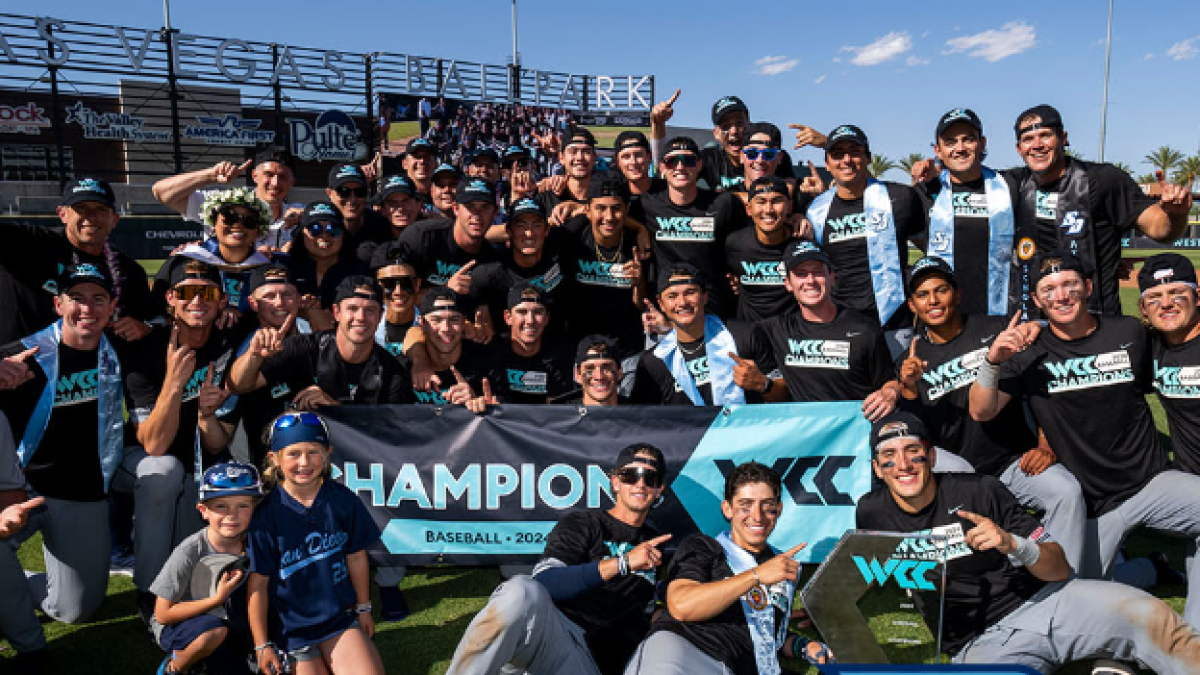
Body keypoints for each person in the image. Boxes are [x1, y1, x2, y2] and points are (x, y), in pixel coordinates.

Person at [857, 410, 1200, 673]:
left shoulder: (979, 490)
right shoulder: (871, 514)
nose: (902, 464)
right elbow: (871, 577)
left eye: (912, 450)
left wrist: (1013, 544)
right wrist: (833, 606)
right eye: (889, 455)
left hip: (1045, 602)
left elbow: (1059, 567)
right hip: (980, 642)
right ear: (876, 467)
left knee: (1155, 618)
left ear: (931, 457)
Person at [969, 249, 1200, 626]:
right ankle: (1149, 569)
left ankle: (1195, 645)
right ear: (1037, 300)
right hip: (1093, 506)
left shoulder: (1129, 332)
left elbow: (1178, 339)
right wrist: (993, 360)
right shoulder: (1027, 353)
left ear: (1088, 287)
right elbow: (981, 410)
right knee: (1072, 598)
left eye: (1070, 285)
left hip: (1151, 481)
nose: (1061, 296)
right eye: (1050, 289)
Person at [896, 256, 1086, 568]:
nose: (933, 300)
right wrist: (907, 386)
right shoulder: (910, 360)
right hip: (960, 475)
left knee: (1066, 492)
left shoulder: (997, 328)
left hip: (1014, 462)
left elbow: (1042, 387)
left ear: (957, 294)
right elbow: (917, 432)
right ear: (912, 305)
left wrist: (1045, 443)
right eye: (922, 294)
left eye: (941, 290)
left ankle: (1065, 584)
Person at [448, 444, 673, 675]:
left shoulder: (660, 544)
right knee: (520, 591)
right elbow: (547, 582)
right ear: (615, 483)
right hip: (558, 637)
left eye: (651, 478)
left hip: (596, 665)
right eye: (630, 475)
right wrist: (623, 563)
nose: (640, 484)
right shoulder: (584, 523)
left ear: (659, 489)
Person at [0, 263, 126, 646]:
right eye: (76, 299)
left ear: (111, 307)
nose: (86, 309)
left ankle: (19, 583)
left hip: (81, 492)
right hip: (18, 490)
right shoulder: (24, 354)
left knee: (75, 610)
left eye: (97, 299)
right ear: (58, 304)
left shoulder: (122, 347)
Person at [121, 259, 247, 620]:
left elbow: (215, 445)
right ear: (170, 300)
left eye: (207, 293)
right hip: (143, 463)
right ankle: (148, 591)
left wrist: (206, 415)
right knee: (164, 470)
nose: (197, 301)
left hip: (200, 465)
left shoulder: (227, 340)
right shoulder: (144, 351)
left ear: (222, 301)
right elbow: (153, 445)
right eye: (186, 292)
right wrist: (174, 384)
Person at [624, 461, 833, 674]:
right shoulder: (703, 547)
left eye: (767, 506)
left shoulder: (782, 567)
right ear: (727, 509)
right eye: (745, 505)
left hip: (738, 667)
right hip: (686, 651)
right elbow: (681, 606)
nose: (757, 516)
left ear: (778, 510)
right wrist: (756, 576)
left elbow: (762, 635)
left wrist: (803, 646)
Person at [1007, 105, 1193, 318]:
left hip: (1096, 321)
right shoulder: (1011, 186)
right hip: (1033, 323)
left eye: (1045, 135)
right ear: (1019, 148)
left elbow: (1161, 230)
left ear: (1063, 138)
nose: (1037, 145)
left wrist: (1176, 214)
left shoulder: (1104, 179)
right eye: (1028, 139)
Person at [247, 412, 385, 675]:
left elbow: (356, 556)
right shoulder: (265, 516)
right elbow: (258, 584)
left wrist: (364, 608)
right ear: (274, 458)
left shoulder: (342, 499)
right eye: (293, 454)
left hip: (338, 620)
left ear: (327, 453)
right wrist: (261, 644)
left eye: (313, 452)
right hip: (290, 630)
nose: (304, 462)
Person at [805, 124, 927, 355]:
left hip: (895, 320)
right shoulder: (816, 210)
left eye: (854, 151)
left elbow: (929, 249)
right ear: (828, 164)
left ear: (868, 157)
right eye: (838, 155)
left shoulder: (900, 198)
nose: (846, 160)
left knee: (900, 388)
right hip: (842, 321)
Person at [751, 241, 901, 421]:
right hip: (808, 439)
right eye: (800, 274)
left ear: (831, 277)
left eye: (818, 272)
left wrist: (891, 391)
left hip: (856, 434)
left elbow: (888, 380)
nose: (810, 281)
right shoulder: (777, 330)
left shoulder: (864, 329)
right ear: (788, 284)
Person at [0, 177, 155, 345]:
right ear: (62, 214)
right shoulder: (28, 243)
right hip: (17, 363)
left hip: (85, 367)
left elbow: (151, 319)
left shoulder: (128, 271)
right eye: (81, 208)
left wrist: (145, 327)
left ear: (114, 219)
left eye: (101, 209)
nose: (91, 217)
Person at [227, 276, 411, 408]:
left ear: (380, 316)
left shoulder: (392, 371)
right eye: (352, 309)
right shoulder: (303, 347)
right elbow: (237, 386)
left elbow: (387, 436)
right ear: (336, 312)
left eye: (370, 310)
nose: (360, 318)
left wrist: (333, 408)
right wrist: (254, 355)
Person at [149, 462, 262, 675]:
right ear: (203, 511)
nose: (232, 514)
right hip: (186, 624)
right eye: (221, 506)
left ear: (256, 508)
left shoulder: (257, 544)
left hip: (231, 622)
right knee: (211, 633)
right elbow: (163, 614)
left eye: (243, 506)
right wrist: (216, 600)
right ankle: (175, 667)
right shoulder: (190, 550)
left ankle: (206, 661)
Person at [913, 109, 1019, 317]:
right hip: (945, 318)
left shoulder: (1010, 185)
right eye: (950, 142)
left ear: (982, 143)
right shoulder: (924, 192)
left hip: (1000, 315)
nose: (960, 148)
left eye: (968, 139)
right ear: (938, 150)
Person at [630, 265, 779, 406]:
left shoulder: (745, 335)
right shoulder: (654, 360)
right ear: (661, 304)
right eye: (672, 296)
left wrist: (763, 384)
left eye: (690, 293)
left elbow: (784, 395)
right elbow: (643, 421)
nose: (682, 302)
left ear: (705, 296)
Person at [213, 264, 314, 469]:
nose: (279, 303)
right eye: (269, 296)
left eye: (287, 294)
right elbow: (226, 416)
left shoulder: (318, 334)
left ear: (298, 299)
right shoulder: (242, 346)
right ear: (252, 303)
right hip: (267, 465)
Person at [631, 136, 744, 319]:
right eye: (671, 161)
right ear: (662, 168)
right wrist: (639, 228)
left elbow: (748, 237)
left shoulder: (723, 204)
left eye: (688, 160)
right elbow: (608, 211)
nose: (680, 167)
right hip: (668, 316)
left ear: (699, 165)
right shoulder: (646, 205)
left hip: (716, 313)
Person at [152, 186, 275, 327]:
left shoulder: (269, 265)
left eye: (249, 221)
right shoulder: (186, 261)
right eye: (229, 218)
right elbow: (158, 307)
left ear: (259, 229)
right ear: (213, 224)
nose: (238, 225)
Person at [563, 176, 651, 360]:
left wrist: (639, 283)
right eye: (601, 209)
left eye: (616, 208)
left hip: (627, 349)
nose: (609, 217)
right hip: (579, 349)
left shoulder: (638, 245)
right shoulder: (572, 236)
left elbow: (641, 306)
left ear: (626, 210)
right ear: (587, 211)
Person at [152, 147, 303, 250]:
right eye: (269, 175)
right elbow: (161, 192)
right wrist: (211, 175)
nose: (275, 183)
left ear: (292, 182)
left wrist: (305, 214)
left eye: (283, 177)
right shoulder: (225, 203)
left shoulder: (297, 215)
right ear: (255, 176)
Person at [470, 197, 571, 335]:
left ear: (546, 230)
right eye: (521, 225)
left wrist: (576, 206)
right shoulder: (489, 275)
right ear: (509, 231)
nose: (529, 233)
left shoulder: (562, 266)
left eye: (536, 225)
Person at [1140, 253, 1200, 474]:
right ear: (1144, 308)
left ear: (1197, 297)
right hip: (1187, 483)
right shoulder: (1147, 347)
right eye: (1154, 297)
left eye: (1176, 293)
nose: (1166, 304)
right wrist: (1037, 328)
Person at [725, 176, 799, 322]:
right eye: (761, 202)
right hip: (749, 333)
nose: (769, 209)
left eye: (777, 201)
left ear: (790, 206)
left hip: (790, 335)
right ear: (749, 209)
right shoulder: (734, 244)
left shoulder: (803, 245)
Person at [409, 287, 494, 411]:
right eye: (436, 320)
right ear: (421, 323)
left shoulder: (486, 362)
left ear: (463, 323)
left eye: (454, 320)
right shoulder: (404, 367)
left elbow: (505, 418)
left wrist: (479, 404)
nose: (446, 328)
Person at [488, 284, 573, 404]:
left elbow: (560, 411)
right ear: (508, 317)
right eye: (522, 312)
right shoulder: (491, 352)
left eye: (538, 312)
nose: (530, 321)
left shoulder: (560, 357)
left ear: (547, 318)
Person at [287, 202, 369, 315]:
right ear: (302, 234)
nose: (324, 235)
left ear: (343, 234)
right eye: (315, 229)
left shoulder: (361, 272)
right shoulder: (287, 268)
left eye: (333, 229)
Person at [325, 163, 392, 248]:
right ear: (329, 193)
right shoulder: (318, 225)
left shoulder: (381, 226)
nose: (352, 199)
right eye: (344, 192)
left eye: (359, 192)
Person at [370, 250, 422, 357]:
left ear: (417, 285)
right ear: (378, 287)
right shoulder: (364, 324)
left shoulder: (432, 327)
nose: (398, 292)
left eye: (406, 283)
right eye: (389, 284)